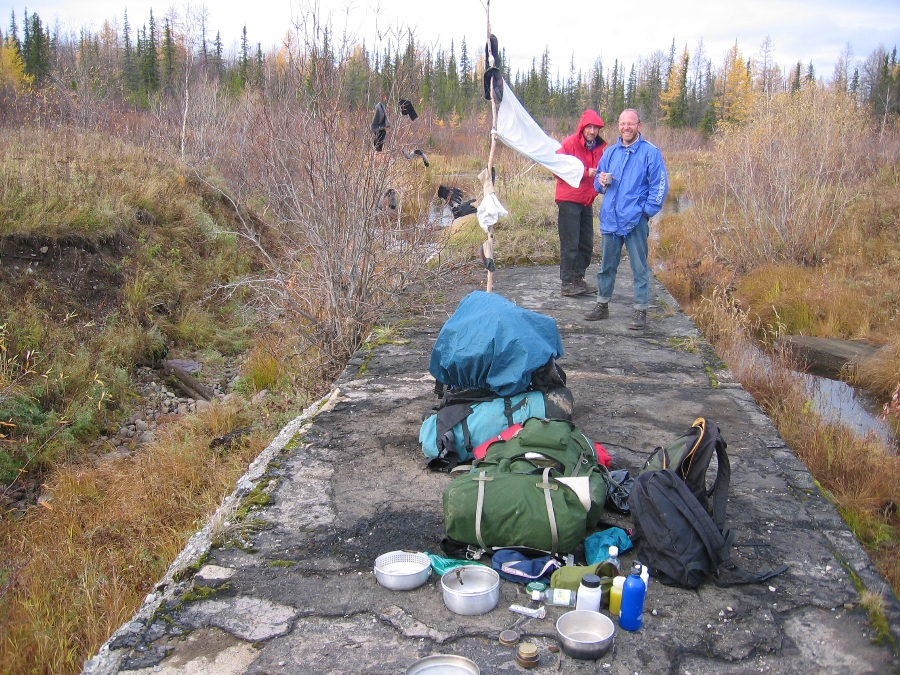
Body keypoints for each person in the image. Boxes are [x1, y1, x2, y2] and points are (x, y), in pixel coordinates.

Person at [585, 109, 668, 329]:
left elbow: (659, 185)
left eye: (630, 123)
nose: (626, 127)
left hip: (635, 221)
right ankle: (602, 305)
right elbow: (597, 183)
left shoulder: (650, 152)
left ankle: (640, 310)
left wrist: (645, 212)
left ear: (639, 126)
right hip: (610, 219)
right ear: (618, 126)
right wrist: (600, 182)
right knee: (606, 266)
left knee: (639, 268)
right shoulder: (611, 153)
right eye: (623, 124)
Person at [555, 110, 607, 297]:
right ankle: (567, 283)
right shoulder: (569, 143)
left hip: (587, 200)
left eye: (596, 128)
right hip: (569, 199)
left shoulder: (599, 149)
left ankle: (578, 279)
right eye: (589, 127)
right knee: (570, 243)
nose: (592, 131)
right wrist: (585, 172)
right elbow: (556, 169)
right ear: (582, 127)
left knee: (586, 243)